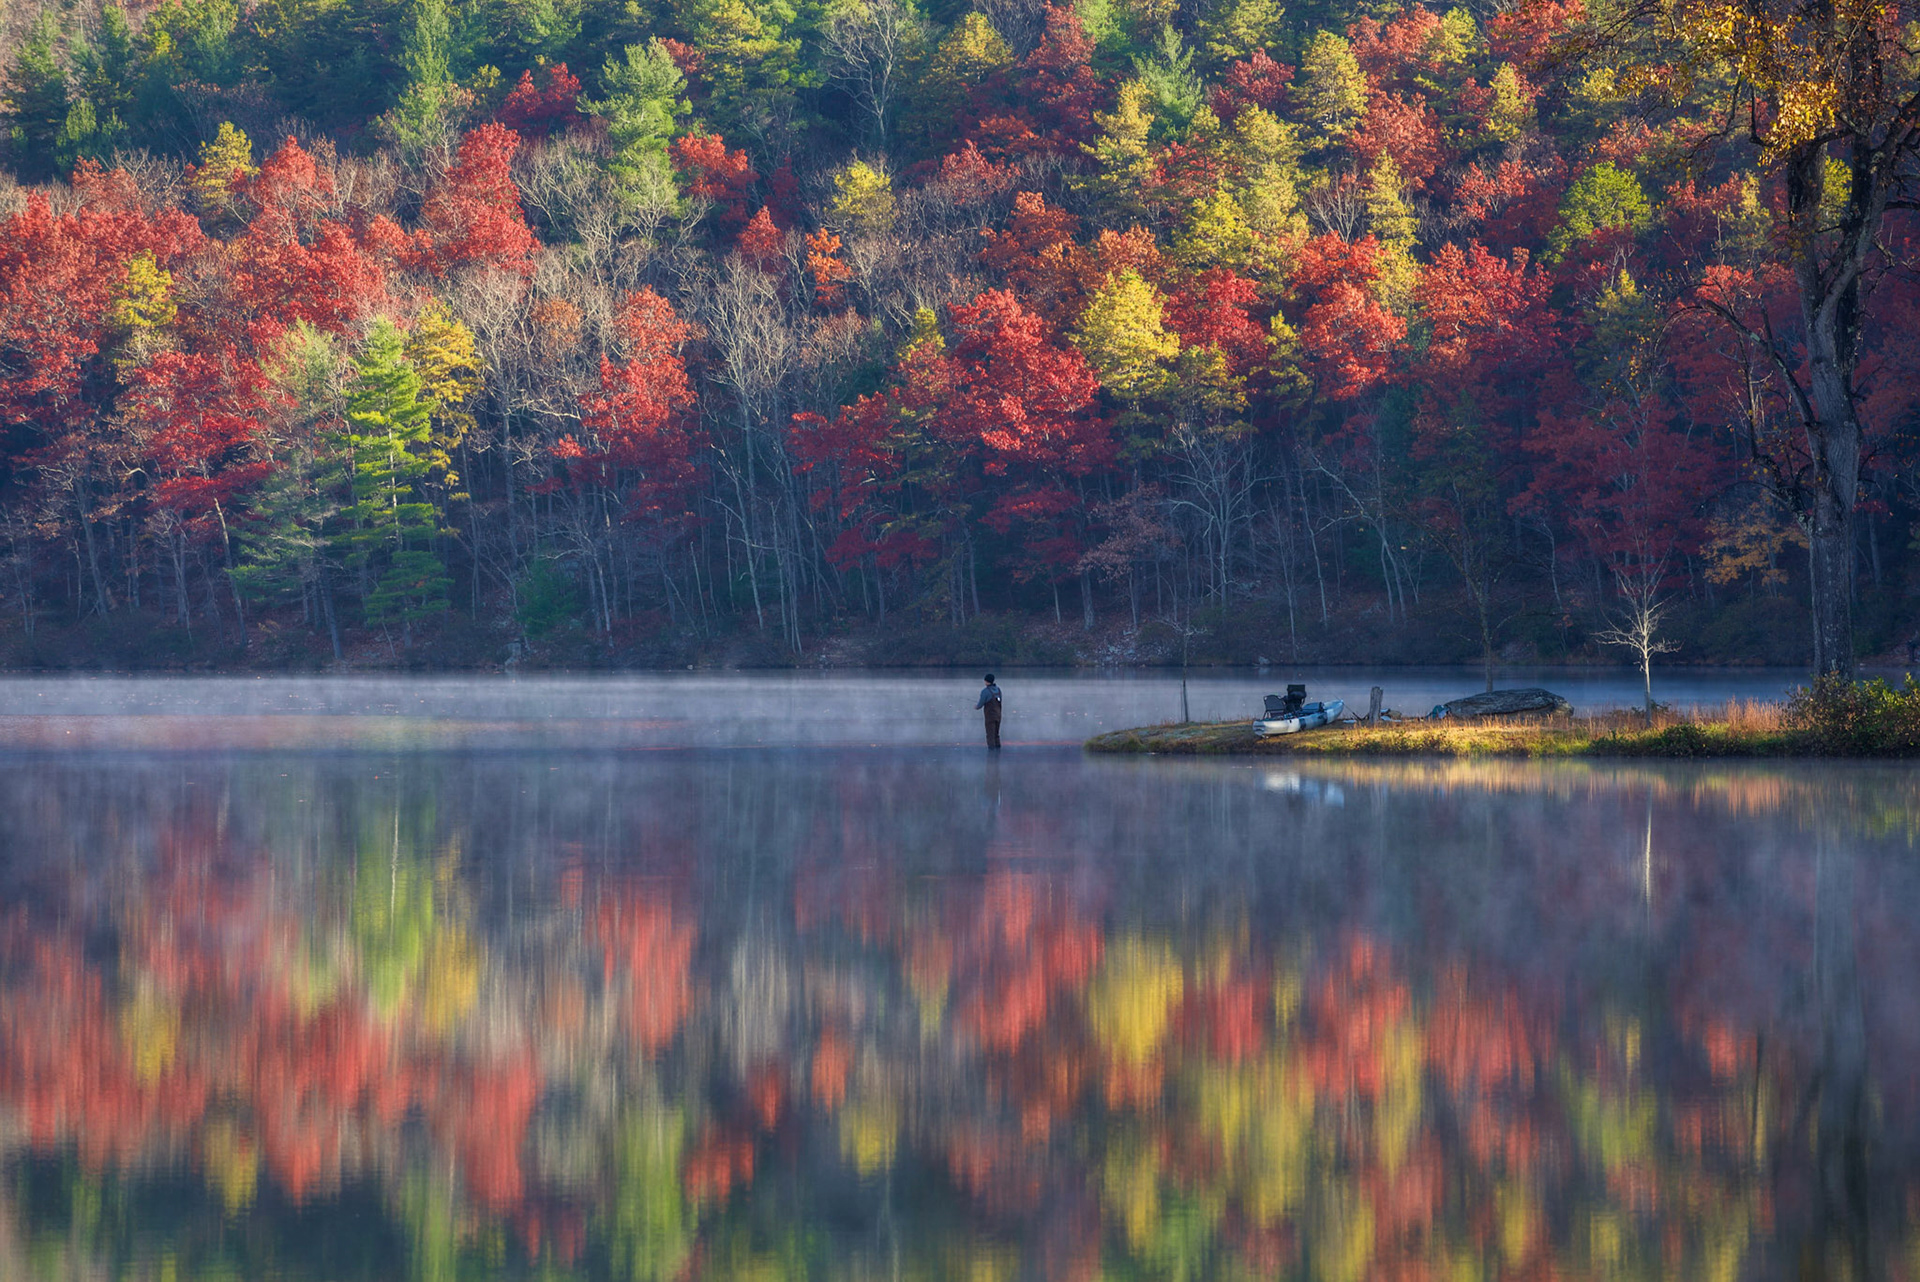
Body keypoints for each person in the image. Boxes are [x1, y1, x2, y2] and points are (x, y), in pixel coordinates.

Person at [975, 674, 1003, 749]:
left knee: (990, 734)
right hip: (998, 715)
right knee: (996, 734)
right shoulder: (998, 689)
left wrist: (976, 707)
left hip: (990, 716)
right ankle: (998, 748)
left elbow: (980, 704)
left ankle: (992, 752)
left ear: (986, 681)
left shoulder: (985, 691)